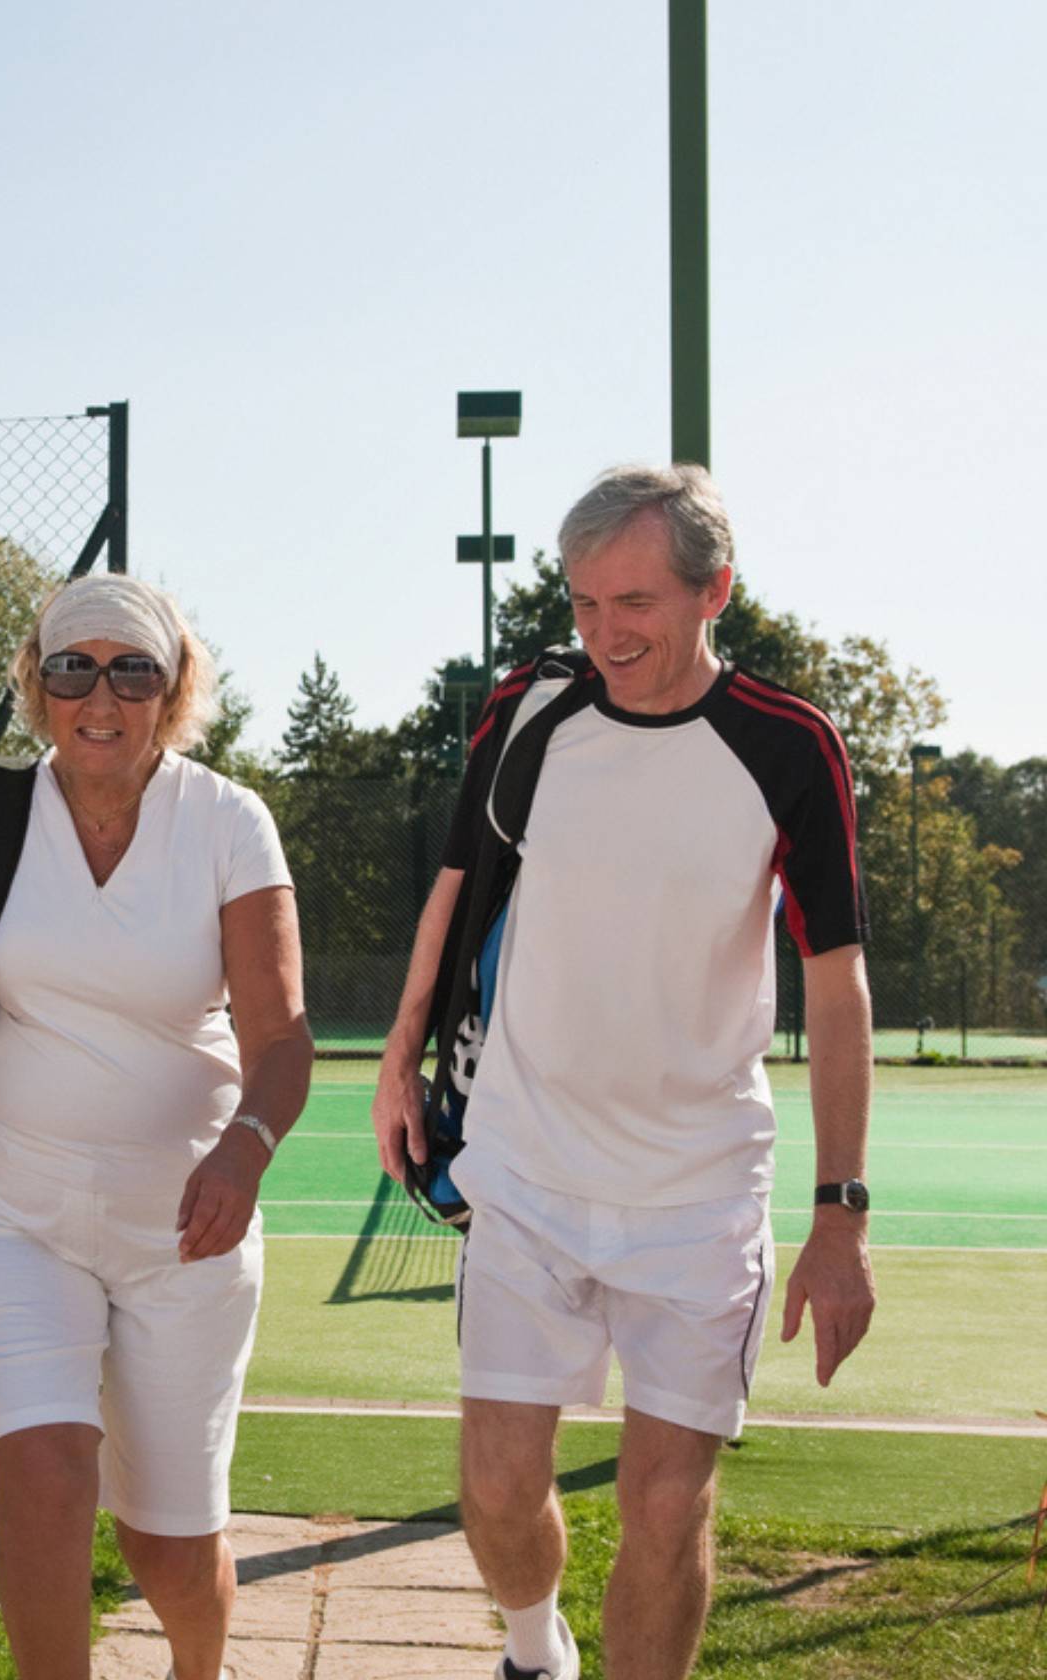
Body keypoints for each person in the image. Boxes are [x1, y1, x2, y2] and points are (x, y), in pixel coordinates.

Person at [372, 464, 875, 1680]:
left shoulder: (790, 744)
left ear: (717, 592)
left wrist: (840, 1218)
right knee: (496, 1491)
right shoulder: (529, 713)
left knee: (663, 1507)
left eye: (635, 601)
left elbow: (839, 980)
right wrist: (398, 1058)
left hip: (697, 1193)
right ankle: (535, 1648)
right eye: (585, 601)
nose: (605, 633)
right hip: (529, 1166)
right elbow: (454, 887)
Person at [0, 573, 313, 1680]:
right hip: (7, 1205)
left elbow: (282, 1042)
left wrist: (245, 1152)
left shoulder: (228, 823)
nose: (101, 696)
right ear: (39, 685)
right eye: (72, 668)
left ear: (172, 694)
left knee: (166, 1551)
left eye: (133, 670)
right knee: (44, 1470)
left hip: (186, 1231)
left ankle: (197, 1666)